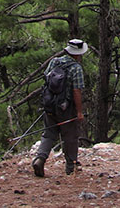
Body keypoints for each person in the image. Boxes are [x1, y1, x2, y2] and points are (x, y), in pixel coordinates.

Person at [33, 38, 88, 177]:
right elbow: (77, 91)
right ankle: (71, 166)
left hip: (50, 105)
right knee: (70, 136)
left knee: (49, 133)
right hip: (66, 108)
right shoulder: (76, 68)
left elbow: (46, 81)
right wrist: (79, 111)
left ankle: (40, 158)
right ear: (77, 54)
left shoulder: (54, 62)